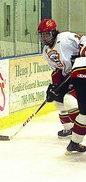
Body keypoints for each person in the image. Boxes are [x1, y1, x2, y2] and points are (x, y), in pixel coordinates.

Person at [38, 18, 86, 153]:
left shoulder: (65, 38)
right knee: (59, 102)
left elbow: (83, 39)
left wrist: (82, 52)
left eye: (47, 34)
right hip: (68, 76)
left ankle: (79, 129)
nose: (45, 38)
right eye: (42, 35)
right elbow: (57, 70)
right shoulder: (46, 51)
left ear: (54, 32)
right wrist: (54, 86)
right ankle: (70, 128)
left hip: (80, 71)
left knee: (70, 102)